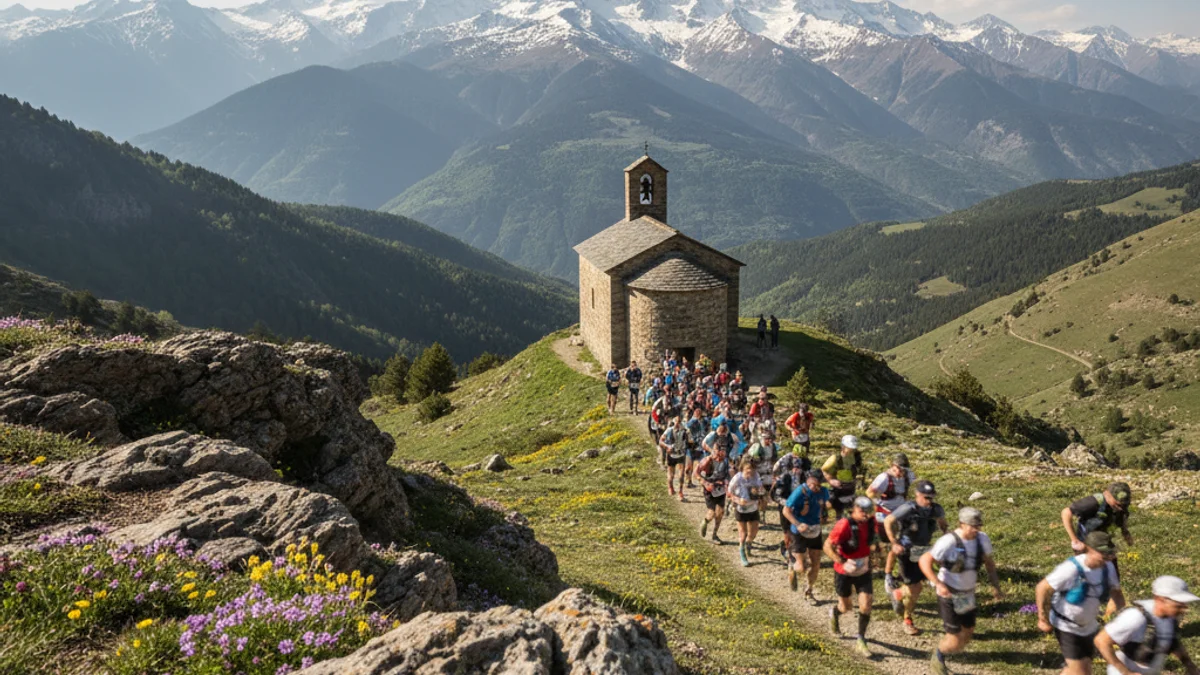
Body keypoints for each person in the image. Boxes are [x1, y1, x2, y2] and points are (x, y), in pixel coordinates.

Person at [920, 507, 1003, 675]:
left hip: (967, 594)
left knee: (968, 631)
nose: (976, 530)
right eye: (972, 526)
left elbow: (989, 563)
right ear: (961, 524)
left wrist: (996, 586)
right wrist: (938, 584)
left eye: (978, 526)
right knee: (955, 638)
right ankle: (938, 656)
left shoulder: (982, 540)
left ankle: (951, 649)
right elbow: (924, 560)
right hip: (949, 594)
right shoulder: (948, 542)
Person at [1036, 532, 1126, 675]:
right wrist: (1043, 619)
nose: (1108, 557)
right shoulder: (1071, 569)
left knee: (1077, 670)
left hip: (1089, 626)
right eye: (1103, 553)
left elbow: (1116, 593)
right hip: (1067, 626)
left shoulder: (1107, 567)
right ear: (1090, 549)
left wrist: (1120, 618)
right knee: (1082, 672)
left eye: (1109, 553)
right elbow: (1042, 588)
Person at [1095, 576, 1200, 675]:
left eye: (1184, 605)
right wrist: (1126, 672)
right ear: (1160, 599)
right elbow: (1101, 641)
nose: (1183, 610)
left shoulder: (1170, 618)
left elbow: (1173, 643)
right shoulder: (1136, 617)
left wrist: (1190, 666)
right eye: (1178, 605)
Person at [882, 480, 948, 634]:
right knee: (916, 588)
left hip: (923, 551)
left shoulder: (936, 509)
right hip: (907, 550)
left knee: (916, 588)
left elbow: (942, 522)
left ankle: (898, 594)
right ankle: (907, 619)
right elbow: (888, 521)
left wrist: (946, 535)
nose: (929, 501)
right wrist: (894, 542)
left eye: (931, 497)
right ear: (917, 494)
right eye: (926, 497)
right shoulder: (908, 508)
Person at [1064, 482, 1133, 615]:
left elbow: (1121, 519)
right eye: (1117, 504)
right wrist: (1074, 540)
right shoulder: (1092, 503)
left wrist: (1126, 533)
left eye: (1123, 505)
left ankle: (1110, 616)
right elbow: (1066, 512)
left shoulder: (1121, 506)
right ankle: (1075, 611)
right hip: (1086, 546)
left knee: (1114, 581)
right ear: (1108, 495)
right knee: (1087, 580)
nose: (1120, 508)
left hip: (1105, 545)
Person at [824, 496, 877, 656]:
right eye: (862, 511)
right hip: (844, 572)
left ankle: (861, 639)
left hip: (863, 570)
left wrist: (877, 553)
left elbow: (872, 541)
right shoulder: (844, 525)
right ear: (854, 509)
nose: (865, 514)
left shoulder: (871, 522)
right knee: (846, 607)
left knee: (866, 604)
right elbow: (827, 546)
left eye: (868, 511)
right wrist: (841, 561)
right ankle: (835, 612)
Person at [867, 453, 917, 604]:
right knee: (894, 543)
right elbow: (869, 493)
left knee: (911, 539)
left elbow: (914, 488)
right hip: (885, 513)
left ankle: (904, 572)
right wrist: (878, 502)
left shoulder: (909, 476)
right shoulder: (884, 478)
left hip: (902, 511)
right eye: (898, 469)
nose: (900, 472)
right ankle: (888, 575)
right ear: (892, 466)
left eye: (903, 469)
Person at [783, 469, 830, 604]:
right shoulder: (800, 491)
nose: (815, 487)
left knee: (816, 564)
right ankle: (792, 564)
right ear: (808, 480)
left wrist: (824, 515)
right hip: (799, 531)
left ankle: (808, 591)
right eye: (813, 484)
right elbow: (786, 510)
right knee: (801, 567)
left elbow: (824, 505)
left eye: (818, 484)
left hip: (815, 529)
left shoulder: (824, 492)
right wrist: (798, 524)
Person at [728, 459, 764, 566]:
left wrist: (759, 492)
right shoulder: (737, 478)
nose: (750, 471)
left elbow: (761, 489)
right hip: (741, 509)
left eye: (752, 469)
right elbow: (729, 493)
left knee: (753, 532)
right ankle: (742, 553)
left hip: (753, 508)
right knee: (743, 534)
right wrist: (738, 500)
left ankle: (748, 544)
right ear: (742, 468)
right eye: (747, 469)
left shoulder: (756, 476)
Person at [696, 443, 731, 544]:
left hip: (721, 489)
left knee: (720, 513)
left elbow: (729, 473)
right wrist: (704, 483)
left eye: (724, 451)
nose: (723, 454)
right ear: (716, 451)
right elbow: (696, 473)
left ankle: (714, 535)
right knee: (711, 513)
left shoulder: (726, 461)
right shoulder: (708, 460)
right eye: (721, 451)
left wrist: (729, 484)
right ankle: (705, 522)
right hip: (710, 490)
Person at [822, 435, 862, 519]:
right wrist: (831, 481)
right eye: (849, 448)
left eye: (853, 449)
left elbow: (859, 470)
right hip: (836, 489)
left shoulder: (856, 457)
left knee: (847, 510)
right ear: (843, 447)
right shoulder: (835, 459)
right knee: (830, 505)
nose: (852, 450)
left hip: (849, 488)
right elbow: (824, 471)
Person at [746, 430, 779, 519]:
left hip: (768, 474)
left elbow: (774, 460)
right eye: (767, 439)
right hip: (758, 474)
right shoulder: (756, 447)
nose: (769, 441)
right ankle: (755, 512)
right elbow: (749, 460)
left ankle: (762, 513)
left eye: (770, 439)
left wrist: (774, 472)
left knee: (766, 494)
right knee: (757, 495)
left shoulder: (773, 447)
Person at [659, 416, 690, 501]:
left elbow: (690, 441)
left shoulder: (685, 431)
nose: (678, 423)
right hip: (671, 455)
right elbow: (661, 441)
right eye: (676, 421)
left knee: (681, 474)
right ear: (674, 422)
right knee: (671, 474)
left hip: (681, 455)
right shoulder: (669, 430)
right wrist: (667, 447)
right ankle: (670, 487)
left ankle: (680, 492)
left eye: (679, 422)